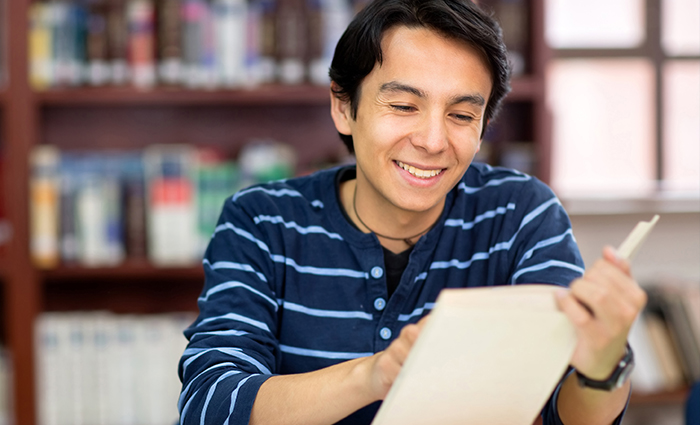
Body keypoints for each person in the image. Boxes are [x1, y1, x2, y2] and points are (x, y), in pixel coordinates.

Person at [177, 0, 647, 424]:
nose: (433, 141)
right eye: (404, 105)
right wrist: (373, 376)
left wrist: (602, 366)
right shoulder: (261, 222)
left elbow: (562, 413)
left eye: (462, 115)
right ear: (344, 107)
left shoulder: (520, 213)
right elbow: (211, 405)